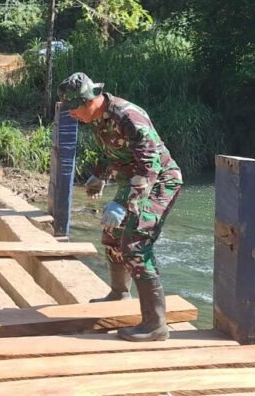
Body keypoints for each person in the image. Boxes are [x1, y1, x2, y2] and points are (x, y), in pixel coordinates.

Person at [57, 72, 183, 342]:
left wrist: (124, 203)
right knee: (112, 235)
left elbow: (151, 167)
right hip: (135, 181)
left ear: (88, 100)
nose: (71, 115)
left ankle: (155, 325)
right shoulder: (98, 118)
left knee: (135, 243)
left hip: (160, 182)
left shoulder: (129, 116)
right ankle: (119, 293)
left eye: (73, 109)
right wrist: (99, 176)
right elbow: (111, 151)